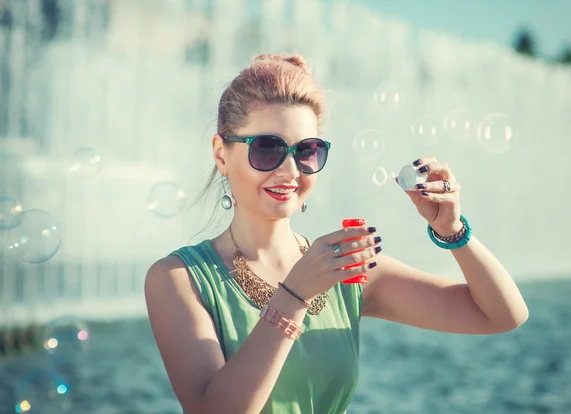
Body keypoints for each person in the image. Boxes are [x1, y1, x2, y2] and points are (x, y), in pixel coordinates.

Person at [144, 53, 529, 414]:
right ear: (221, 154)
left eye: (306, 151)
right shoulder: (178, 279)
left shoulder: (348, 271)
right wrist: (293, 295)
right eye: (266, 149)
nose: (290, 171)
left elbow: (501, 315)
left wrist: (453, 232)